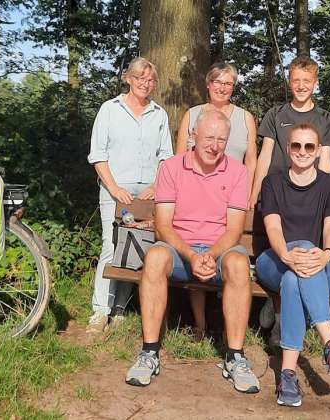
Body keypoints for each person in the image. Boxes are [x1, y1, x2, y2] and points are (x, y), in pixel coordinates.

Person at [125, 110, 260, 394]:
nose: (214, 146)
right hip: (179, 250)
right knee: (155, 257)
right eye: (209, 138)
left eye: (221, 140)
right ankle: (149, 352)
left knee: (238, 263)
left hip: (219, 250)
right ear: (194, 136)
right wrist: (192, 256)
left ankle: (235, 357)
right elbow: (163, 226)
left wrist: (209, 255)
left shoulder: (238, 172)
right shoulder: (171, 168)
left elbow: (234, 230)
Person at [255, 123, 330, 407]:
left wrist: (326, 253)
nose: (302, 151)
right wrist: (286, 255)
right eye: (296, 145)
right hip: (276, 260)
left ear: (318, 150)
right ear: (288, 148)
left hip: (320, 265)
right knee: (298, 255)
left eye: (309, 146)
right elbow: (273, 227)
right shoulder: (273, 182)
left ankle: (287, 375)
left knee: (293, 280)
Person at [251, 55, 330, 345]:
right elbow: (265, 155)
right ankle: (278, 302)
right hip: (278, 196)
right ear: (289, 82)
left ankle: (281, 311)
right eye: (296, 80)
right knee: (282, 250)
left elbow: (325, 161)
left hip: (309, 196)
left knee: (303, 254)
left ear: (315, 83)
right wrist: (254, 193)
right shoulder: (276, 114)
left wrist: (325, 195)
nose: (301, 86)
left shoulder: (324, 118)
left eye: (307, 81)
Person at [85, 57, 173, 334]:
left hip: (146, 193)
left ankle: (120, 308)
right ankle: (101, 310)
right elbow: (98, 155)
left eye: (150, 80)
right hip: (115, 190)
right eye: (140, 78)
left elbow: (166, 156)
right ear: (128, 79)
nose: (145, 84)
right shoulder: (110, 109)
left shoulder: (159, 114)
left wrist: (156, 186)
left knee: (136, 250)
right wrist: (114, 188)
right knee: (111, 246)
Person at [176, 62, 258, 341]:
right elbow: (180, 159)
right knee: (198, 247)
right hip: (198, 198)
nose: (222, 88)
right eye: (218, 82)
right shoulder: (192, 115)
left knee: (228, 256)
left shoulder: (245, 118)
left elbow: (251, 160)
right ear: (208, 84)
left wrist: (250, 195)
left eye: (228, 84)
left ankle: (226, 329)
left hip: (232, 199)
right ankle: (200, 323)